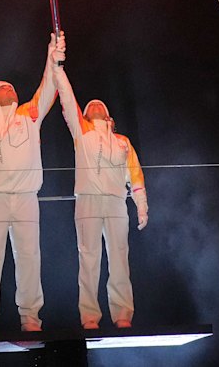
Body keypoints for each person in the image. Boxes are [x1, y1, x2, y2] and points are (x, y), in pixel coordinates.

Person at [0, 32, 66, 334]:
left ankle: (31, 318)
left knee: (30, 257)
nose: (9, 88)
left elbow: (47, 89)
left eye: (11, 87)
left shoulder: (29, 116)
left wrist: (51, 56)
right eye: (3, 88)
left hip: (26, 197)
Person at [53, 50, 148, 330]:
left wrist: (141, 204)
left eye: (99, 105)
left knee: (119, 257)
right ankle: (90, 317)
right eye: (90, 106)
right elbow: (68, 99)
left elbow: (135, 174)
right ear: (83, 115)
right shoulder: (81, 133)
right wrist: (58, 69)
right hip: (88, 202)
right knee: (89, 258)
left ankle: (122, 315)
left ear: (109, 116)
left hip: (117, 202)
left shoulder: (122, 142)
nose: (95, 106)